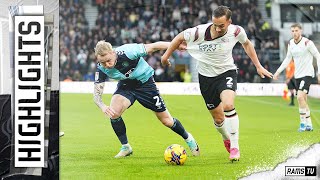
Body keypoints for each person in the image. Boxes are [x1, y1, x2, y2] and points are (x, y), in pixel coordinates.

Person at [161, 6, 273, 162]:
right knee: (219, 119)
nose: (218, 28)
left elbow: (247, 44)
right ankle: (226, 137)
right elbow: (179, 37)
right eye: (215, 25)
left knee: (228, 105)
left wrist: (258, 66)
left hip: (226, 72)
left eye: (222, 25)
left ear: (229, 22)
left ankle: (235, 147)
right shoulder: (199, 31)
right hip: (206, 78)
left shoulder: (236, 31)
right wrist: (166, 56)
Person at [93, 40, 200, 158]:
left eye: (108, 60)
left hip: (146, 84)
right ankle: (126, 147)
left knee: (166, 121)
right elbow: (97, 94)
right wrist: (103, 106)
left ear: (113, 52)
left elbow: (154, 46)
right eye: (102, 62)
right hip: (126, 86)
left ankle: (188, 138)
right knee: (114, 113)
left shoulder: (128, 51)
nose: (107, 65)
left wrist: (175, 46)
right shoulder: (101, 68)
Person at [273, 23, 320, 132]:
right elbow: (287, 59)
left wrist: (319, 73)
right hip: (297, 75)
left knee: (299, 97)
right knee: (303, 100)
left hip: (307, 74)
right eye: (293, 31)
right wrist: (278, 72)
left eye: (296, 30)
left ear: (301, 31)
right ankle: (310, 125)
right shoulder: (290, 43)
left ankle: (303, 123)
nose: (294, 33)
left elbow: (318, 55)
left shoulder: (307, 43)